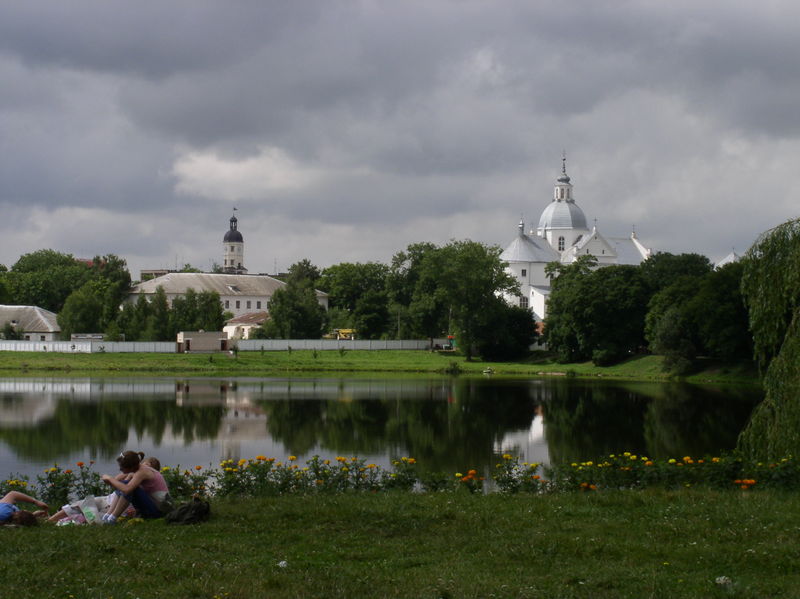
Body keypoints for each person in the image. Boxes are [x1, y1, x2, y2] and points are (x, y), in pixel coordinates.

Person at [47, 455, 164, 525]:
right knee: (80, 504)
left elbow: (128, 490)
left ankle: (105, 519)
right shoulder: (134, 473)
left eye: (149, 467)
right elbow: (116, 481)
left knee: (90, 514)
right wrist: (129, 474)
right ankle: (49, 521)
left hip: (120, 506)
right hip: (109, 499)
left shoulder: (146, 478)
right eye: (143, 465)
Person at [101, 451, 172, 524]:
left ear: (130, 467)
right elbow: (116, 481)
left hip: (159, 511)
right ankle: (108, 515)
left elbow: (126, 490)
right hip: (155, 506)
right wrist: (109, 480)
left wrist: (110, 479)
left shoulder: (142, 472)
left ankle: (112, 518)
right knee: (123, 484)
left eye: (122, 468)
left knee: (128, 487)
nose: (120, 470)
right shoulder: (137, 468)